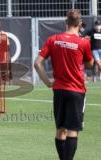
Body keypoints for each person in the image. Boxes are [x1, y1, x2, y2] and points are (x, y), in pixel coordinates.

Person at [34, 9, 93, 160]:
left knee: (60, 129)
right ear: (80, 24)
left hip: (59, 89)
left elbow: (37, 63)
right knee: (73, 129)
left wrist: (47, 82)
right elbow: (89, 64)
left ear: (66, 22)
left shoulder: (53, 39)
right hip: (76, 90)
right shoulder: (83, 42)